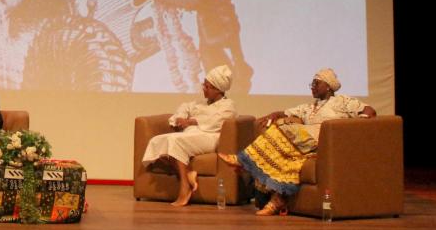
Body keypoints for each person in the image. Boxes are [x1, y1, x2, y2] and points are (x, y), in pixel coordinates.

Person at [220, 68, 376, 216]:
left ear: (328, 86)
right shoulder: (310, 107)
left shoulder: (343, 101)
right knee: (290, 159)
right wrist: (274, 114)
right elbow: (285, 112)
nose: (312, 87)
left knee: (285, 129)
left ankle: (244, 161)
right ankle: (276, 201)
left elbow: (369, 111)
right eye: (312, 84)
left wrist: (353, 128)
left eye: (316, 83)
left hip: (328, 140)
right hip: (307, 145)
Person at [141, 65, 236, 207]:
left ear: (218, 89)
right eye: (204, 85)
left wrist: (191, 121)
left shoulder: (228, 106)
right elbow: (185, 107)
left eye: (207, 86)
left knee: (175, 141)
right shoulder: (200, 103)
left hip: (210, 137)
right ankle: (188, 173)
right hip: (192, 135)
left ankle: (185, 188)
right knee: (157, 141)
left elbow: (215, 122)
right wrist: (180, 117)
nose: (203, 88)